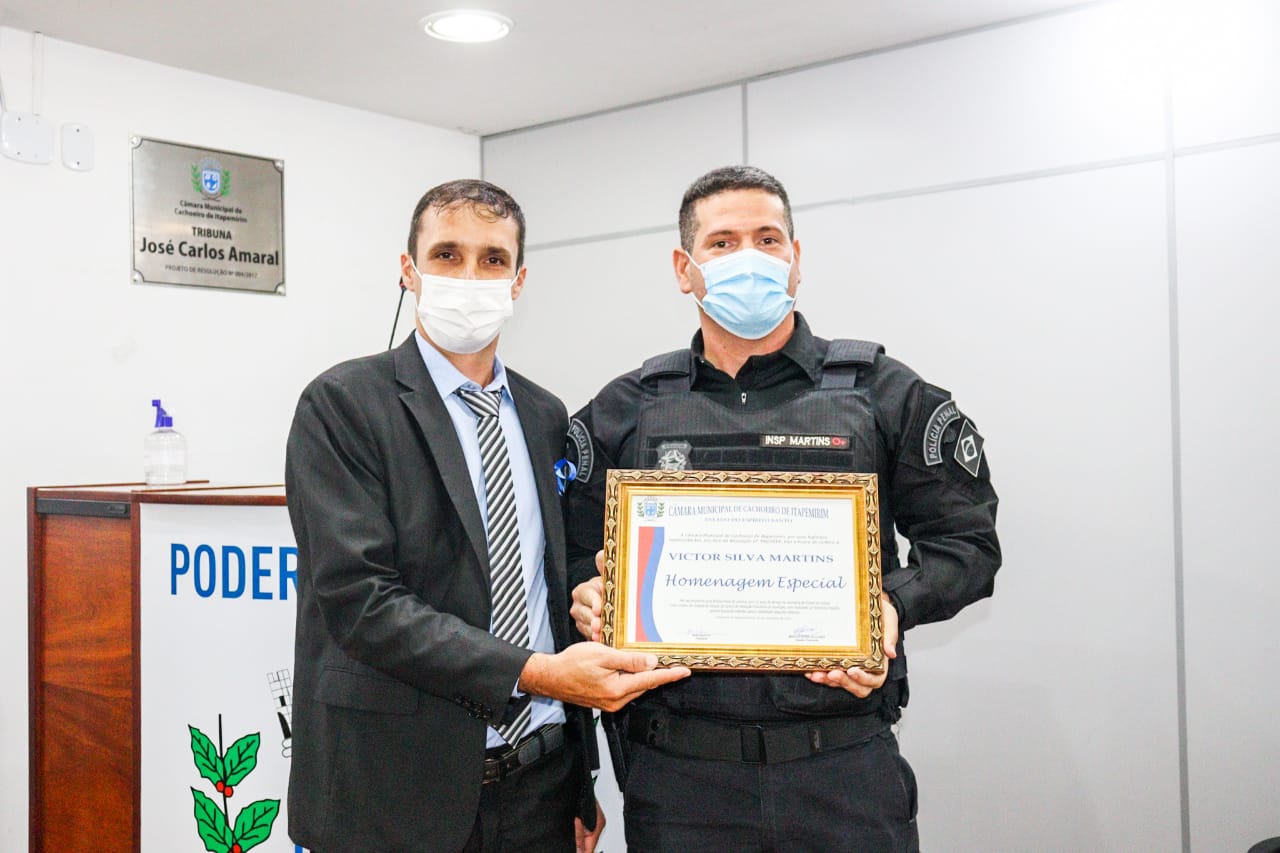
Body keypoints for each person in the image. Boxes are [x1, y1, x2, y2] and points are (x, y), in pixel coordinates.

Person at [565, 166, 1001, 852]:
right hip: (680, 785)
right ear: (684, 268)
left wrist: (889, 604)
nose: (749, 257)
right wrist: (588, 594)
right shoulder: (626, 409)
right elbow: (561, 551)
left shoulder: (882, 394)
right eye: (722, 242)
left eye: (768, 239)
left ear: (796, 259)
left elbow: (967, 544)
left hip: (842, 773)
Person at [285, 179, 690, 853]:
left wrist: (580, 780)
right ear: (409, 269)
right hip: (394, 793)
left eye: (493, 259)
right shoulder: (343, 405)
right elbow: (361, 602)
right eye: (447, 254)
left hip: (539, 787)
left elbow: (548, 590)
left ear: (518, 281)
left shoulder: (545, 415)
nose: (470, 276)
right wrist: (535, 673)